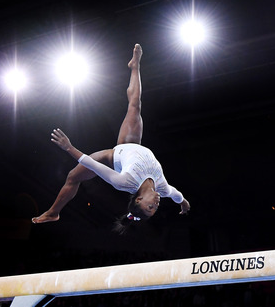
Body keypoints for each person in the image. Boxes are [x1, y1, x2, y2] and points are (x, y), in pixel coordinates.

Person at [31, 43, 190, 234]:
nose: (156, 205)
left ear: (138, 200)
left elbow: (92, 164)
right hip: (132, 142)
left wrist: (69, 147)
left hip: (113, 156)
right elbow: (177, 195)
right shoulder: (163, 189)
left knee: (73, 176)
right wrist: (184, 204)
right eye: (155, 209)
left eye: (150, 207)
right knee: (135, 104)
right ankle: (135, 66)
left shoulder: (126, 183)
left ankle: (53, 212)